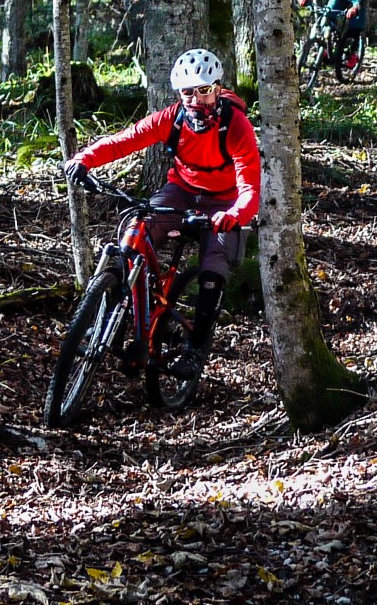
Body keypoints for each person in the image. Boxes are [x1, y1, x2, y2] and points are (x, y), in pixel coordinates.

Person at [64, 48, 260, 377]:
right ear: (178, 93)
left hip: (224, 202)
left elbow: (250, 187)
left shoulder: (236, 126)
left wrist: (236, 214)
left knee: (215, 265)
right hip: (180, 192)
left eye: (205, 90)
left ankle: (195, 349)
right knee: (136, 233)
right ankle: (121, 315)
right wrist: (85, 159)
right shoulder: (171, 119)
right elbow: (124, 141)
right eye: (188, 92)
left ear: (217, 89)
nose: (197, 100)